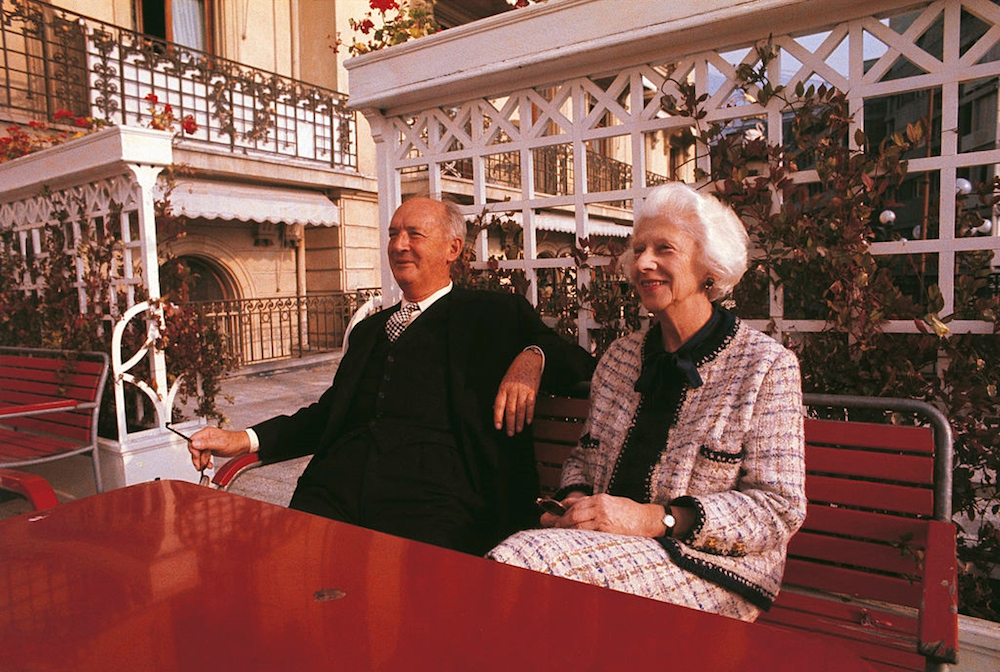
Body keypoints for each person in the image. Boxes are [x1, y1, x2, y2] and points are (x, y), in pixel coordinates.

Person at [188, 196, 594, 555]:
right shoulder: (369, 331)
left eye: (414, 234)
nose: (399, 245)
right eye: (393, 234)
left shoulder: (494, 314)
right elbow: (328, 414)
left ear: (453, 248)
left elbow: (577, 361)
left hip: (440, 503)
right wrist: (241, 439)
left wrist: (532, 355)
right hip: (336, 491)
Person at [487, 182, 806, 622]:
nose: (643, 263)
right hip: (601, 550)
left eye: (664, 249)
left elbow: (778, 508)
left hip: (712, 568)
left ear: (709, 266)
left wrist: (658, 520)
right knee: (524, 567)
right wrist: (575, 504)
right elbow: (585, 455)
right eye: (637, 250)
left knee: (523, 563)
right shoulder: (620, 358)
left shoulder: (765, 366)